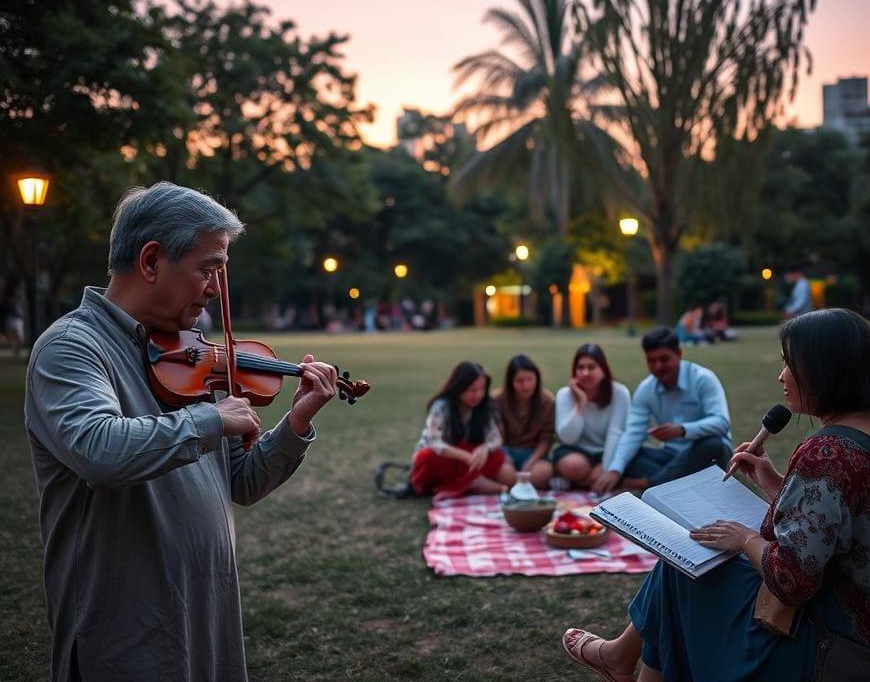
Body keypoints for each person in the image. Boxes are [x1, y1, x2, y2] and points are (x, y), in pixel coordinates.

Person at [24, 182, 340, 682]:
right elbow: (98, 451)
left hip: (206, 614)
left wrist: (296, 421)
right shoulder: (71, 348)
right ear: (151, 262)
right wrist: (211, 419)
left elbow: (243, 482)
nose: (217, 287)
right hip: (127, 630)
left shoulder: (190, 353)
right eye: (209, 268)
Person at [562, 309, 870, 682]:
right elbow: (842, 524)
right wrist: (775, 483)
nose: (782, 376)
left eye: (790, 364)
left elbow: (791, 580)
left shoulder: (829, 451)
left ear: (824, 369)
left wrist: (744, 538)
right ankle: (620, 659)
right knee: (687, 565)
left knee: (685, 571)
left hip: (844, 650)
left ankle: (619, 658)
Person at [593, 326, 732, 495]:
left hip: (705, 456)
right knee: (628, 454)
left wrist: (682, 430)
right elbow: (633, 433)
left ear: (679, 354)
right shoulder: (646, 388)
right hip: (671, 457)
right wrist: (615, 471)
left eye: (664, 359)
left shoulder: (703, 379)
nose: (658, 366)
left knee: (713, 445)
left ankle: (650, 484)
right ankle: (675, 484)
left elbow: (721, 423)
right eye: (652, 361)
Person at [409, 361, 515, 500]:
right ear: (458, 387)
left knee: (498, 457)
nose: (478, 395)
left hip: (468, 461)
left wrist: (484, 448)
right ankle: (470, 484)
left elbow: (495, 439)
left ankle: (465, 485)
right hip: (444, 458)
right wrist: (465, 456)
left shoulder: (485, 406)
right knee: (426, 456)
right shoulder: (441, 406)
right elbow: (434, 443)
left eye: (482, 389)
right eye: (472, 390)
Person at [554, 343, 631, 492]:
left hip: (608, 451)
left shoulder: (620, 393)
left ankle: (581, 483)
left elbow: (616, 434)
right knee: (573, 466)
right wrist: (581, 403)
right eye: (580, 368)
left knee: (631, 464)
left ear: (603, 370)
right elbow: (567, 438)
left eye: (591, 367)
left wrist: (605, 467)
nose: (585, 373)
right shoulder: (565, 395)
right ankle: (594, 481)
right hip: (576, 451)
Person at [492, 354, 556, 489]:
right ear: (510, 382)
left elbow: (547, 438)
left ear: (537, 379)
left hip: (534, 452)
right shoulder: (497, 400)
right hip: (506, 450)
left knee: (544, 471)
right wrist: (506, 459)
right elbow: (497, 438)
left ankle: (516, 486)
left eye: (530, 379)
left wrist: (532, 461)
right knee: (503, 471)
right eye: (520, 381)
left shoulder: (547, 401)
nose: (526, 386)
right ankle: (520, 486)